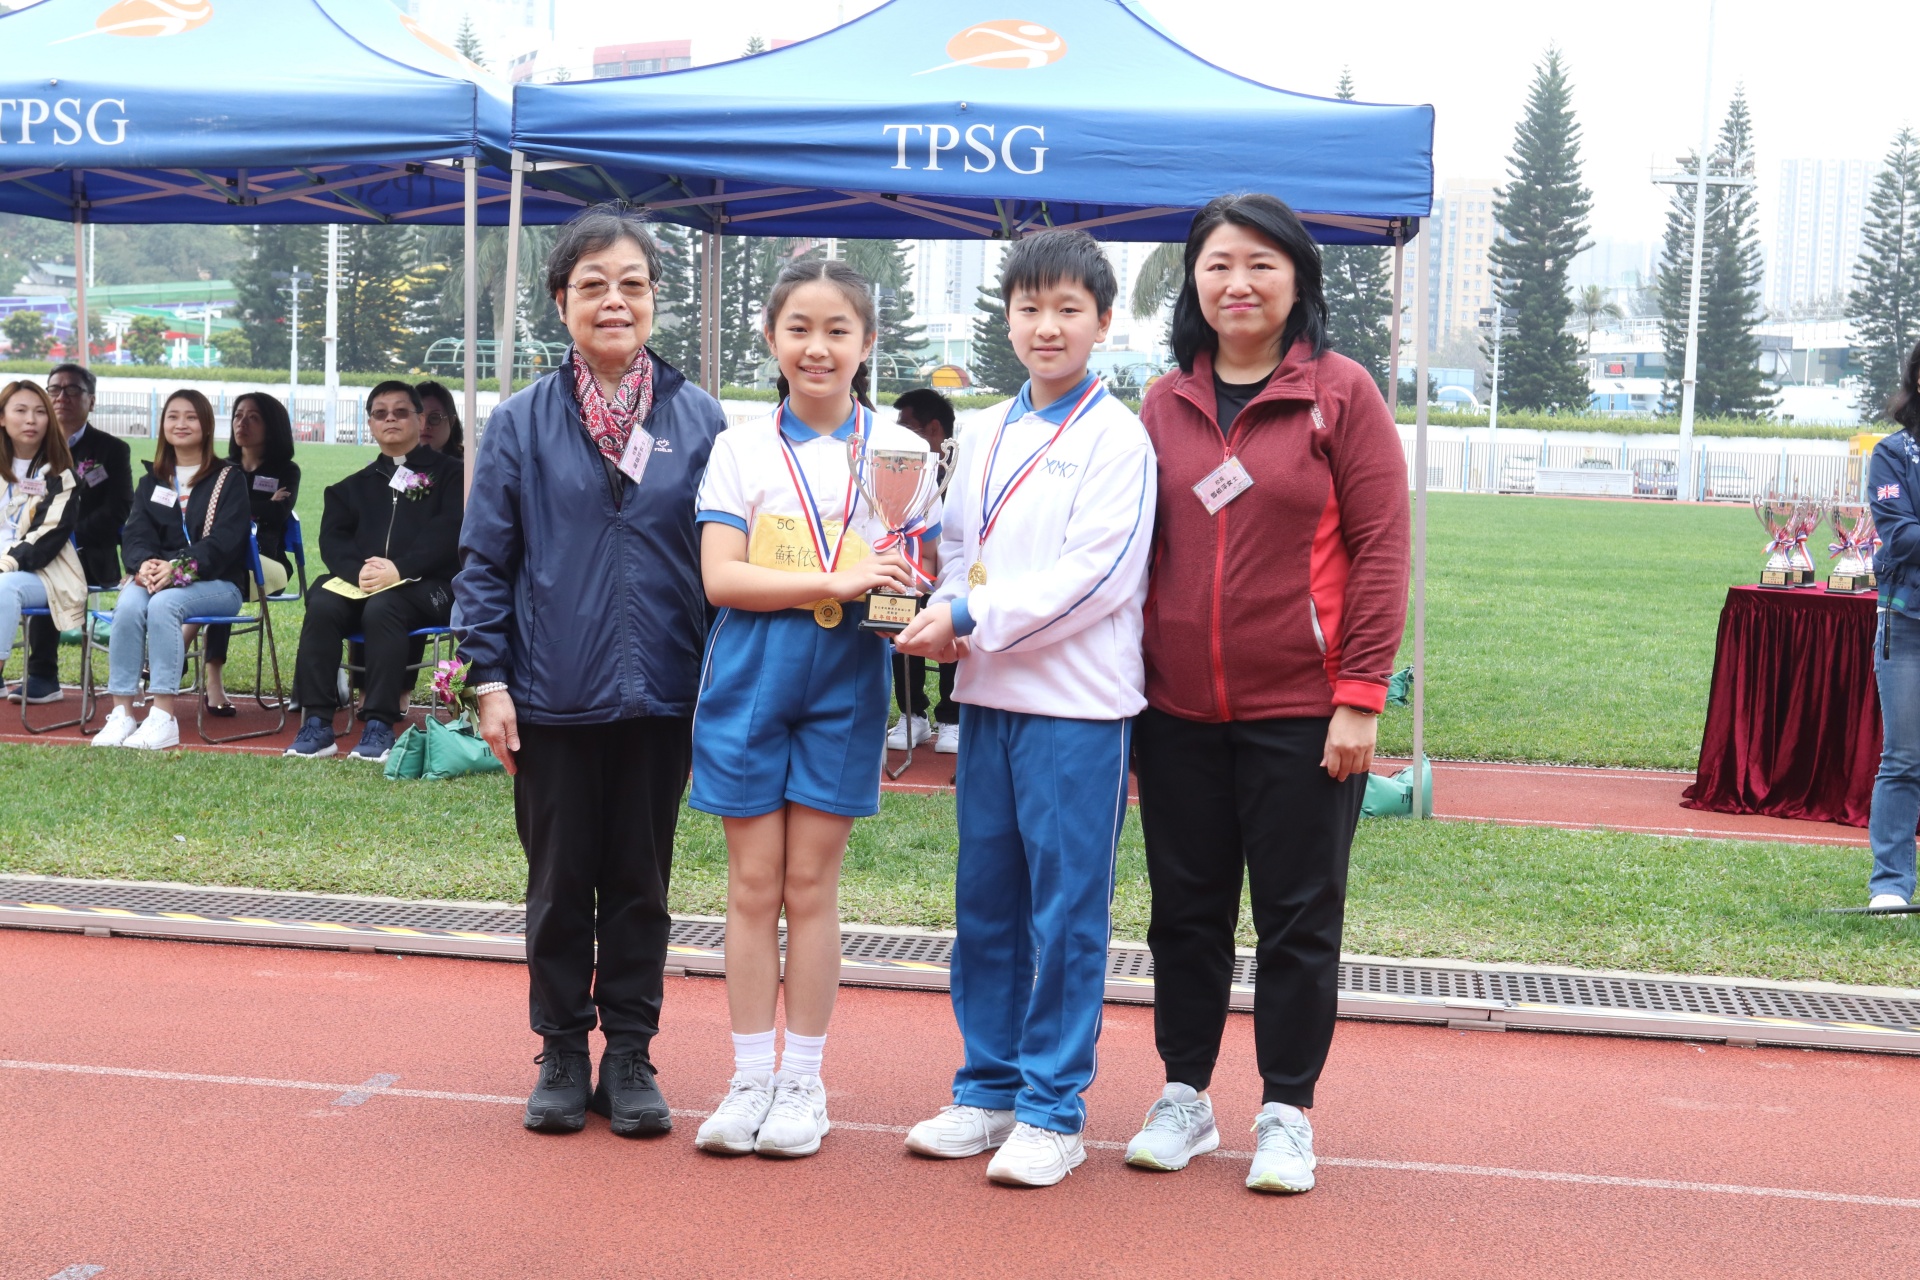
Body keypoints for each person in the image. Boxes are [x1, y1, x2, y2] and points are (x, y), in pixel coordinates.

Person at [1123, 194, 1409, 1195]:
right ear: (1193, 282)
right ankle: (1185, 1095)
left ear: (1298, 280)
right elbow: (1137, 557)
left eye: (1260, 264)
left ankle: (1287, 1109)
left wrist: (1360, 694)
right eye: (1217, 264)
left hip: (1305, 711)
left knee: (1298, 918)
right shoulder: (1163, 404)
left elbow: (1382, 551)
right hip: (1177, 714)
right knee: (1184, 915)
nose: (1237, 283)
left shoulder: (1342, 394)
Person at [455, 204, 727, 1138]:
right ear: (561, 300)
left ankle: (632, 1053)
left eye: (633, 285)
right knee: (560, 884)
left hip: (665, 695)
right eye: (593, 285)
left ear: (654, 299)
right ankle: (564, 1049)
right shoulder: (521, 422)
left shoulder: (700, 419)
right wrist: (489, 680)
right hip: (552, 697)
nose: (615, 301)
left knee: (643, 886)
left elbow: (726, 561)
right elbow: (484, 564)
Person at [895, 229, 1156, 1188]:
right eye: (1029, 309)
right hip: (989, 699)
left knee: (1066, 914)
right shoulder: (987, 430)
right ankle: (988, 1088)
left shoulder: (1119, 438)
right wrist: (940, 607)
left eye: (1068, 310)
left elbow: (1099, 576)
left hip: (1078, 710)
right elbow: (960, 545)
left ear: (1102, 322)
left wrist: (969, 616)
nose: (1047, 327)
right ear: (1006, 319)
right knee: (987, 906)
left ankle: (1053, 1109)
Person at [688, 257, 927, 1159]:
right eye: (799, 329)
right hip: (751, 674)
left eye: (837, 331)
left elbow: (912, 575)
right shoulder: (741, 447)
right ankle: (750, 1076)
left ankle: (804, 1083)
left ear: (868, 343)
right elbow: (722, 579)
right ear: (770, 337)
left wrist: (903, 598)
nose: (817, 348)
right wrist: (836, 579)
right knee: (752, 886)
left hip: (847, 677)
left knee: (810, 887)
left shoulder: (901, 450)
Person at [285, 382, 462, 763]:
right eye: (381, 414)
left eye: (400, 412)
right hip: (364, 585)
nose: (390, 419)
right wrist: (360, 574)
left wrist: (400, 569)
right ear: (370, 424)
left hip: (431, 587)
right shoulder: (351, 488)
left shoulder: (454, 477)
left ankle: (380, 724)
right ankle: (316, 722)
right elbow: (333, 540)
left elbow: (449, 532)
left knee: (385, 607)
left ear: (419, 419)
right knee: (323, 602)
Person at [93, 390, 250, 751]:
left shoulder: (229, 479)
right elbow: (135, 533)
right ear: (162, 424)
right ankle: (122, 713)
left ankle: (162, 715)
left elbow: (225, 542)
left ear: (207, 425)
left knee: (165, 606)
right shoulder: (152, 481)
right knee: (128, 605)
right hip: (156, 580)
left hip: (217, 583)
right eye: (173, 416)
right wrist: (144, 565)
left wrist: (178, 568)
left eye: (191, 417)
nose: (181, 424)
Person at [8, 362, 131, 706]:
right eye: (55, 389)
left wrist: (61, 538)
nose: (62, 396)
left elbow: (119, 508)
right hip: (25, 547)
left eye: (73, 389)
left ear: (92, 400)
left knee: (49, 568)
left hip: (86, 554)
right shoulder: (28, 446)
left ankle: (43, 675)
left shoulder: (111, 450)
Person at [201, 392, 298, 716]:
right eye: (238, 415)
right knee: (222, 579)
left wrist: (240, 509)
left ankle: (173, 656)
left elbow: (279, 514)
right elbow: (208, 517)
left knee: (221, 576)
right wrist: (261, 506)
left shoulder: (286, 470)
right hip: (223, 563)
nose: (242, 423)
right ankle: (212, 680)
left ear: (272, 426)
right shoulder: (220, 469)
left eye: (253, 417)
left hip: (268, 564)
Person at [1867, 338, 1920, 911]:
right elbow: (1901, 536)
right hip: (1907, 624)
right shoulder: (1893, 454)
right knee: (1903, 759)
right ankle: (1891, 884)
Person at [0, 382, 87, 694]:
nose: (31, 420)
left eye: (40, 412)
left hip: (42, 573)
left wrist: (6, 563)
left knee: (4, 586)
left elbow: (47, 536)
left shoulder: (61, 476)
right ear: (2, 417)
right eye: (21, 411)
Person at [887, 387, 961, 754]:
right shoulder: (901, 469)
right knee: (902, 618)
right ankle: (912, 714)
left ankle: (952, 719)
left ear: (933, 429)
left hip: (957, 576)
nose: (899, 433)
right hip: (916, 572)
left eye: (907, 426)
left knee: (954, 626)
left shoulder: (964, 470)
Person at [416, 380, 464, 458]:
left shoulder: (468, 463)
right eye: (418, 418)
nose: (424, 426)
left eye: (434, 418)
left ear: (451, 421)